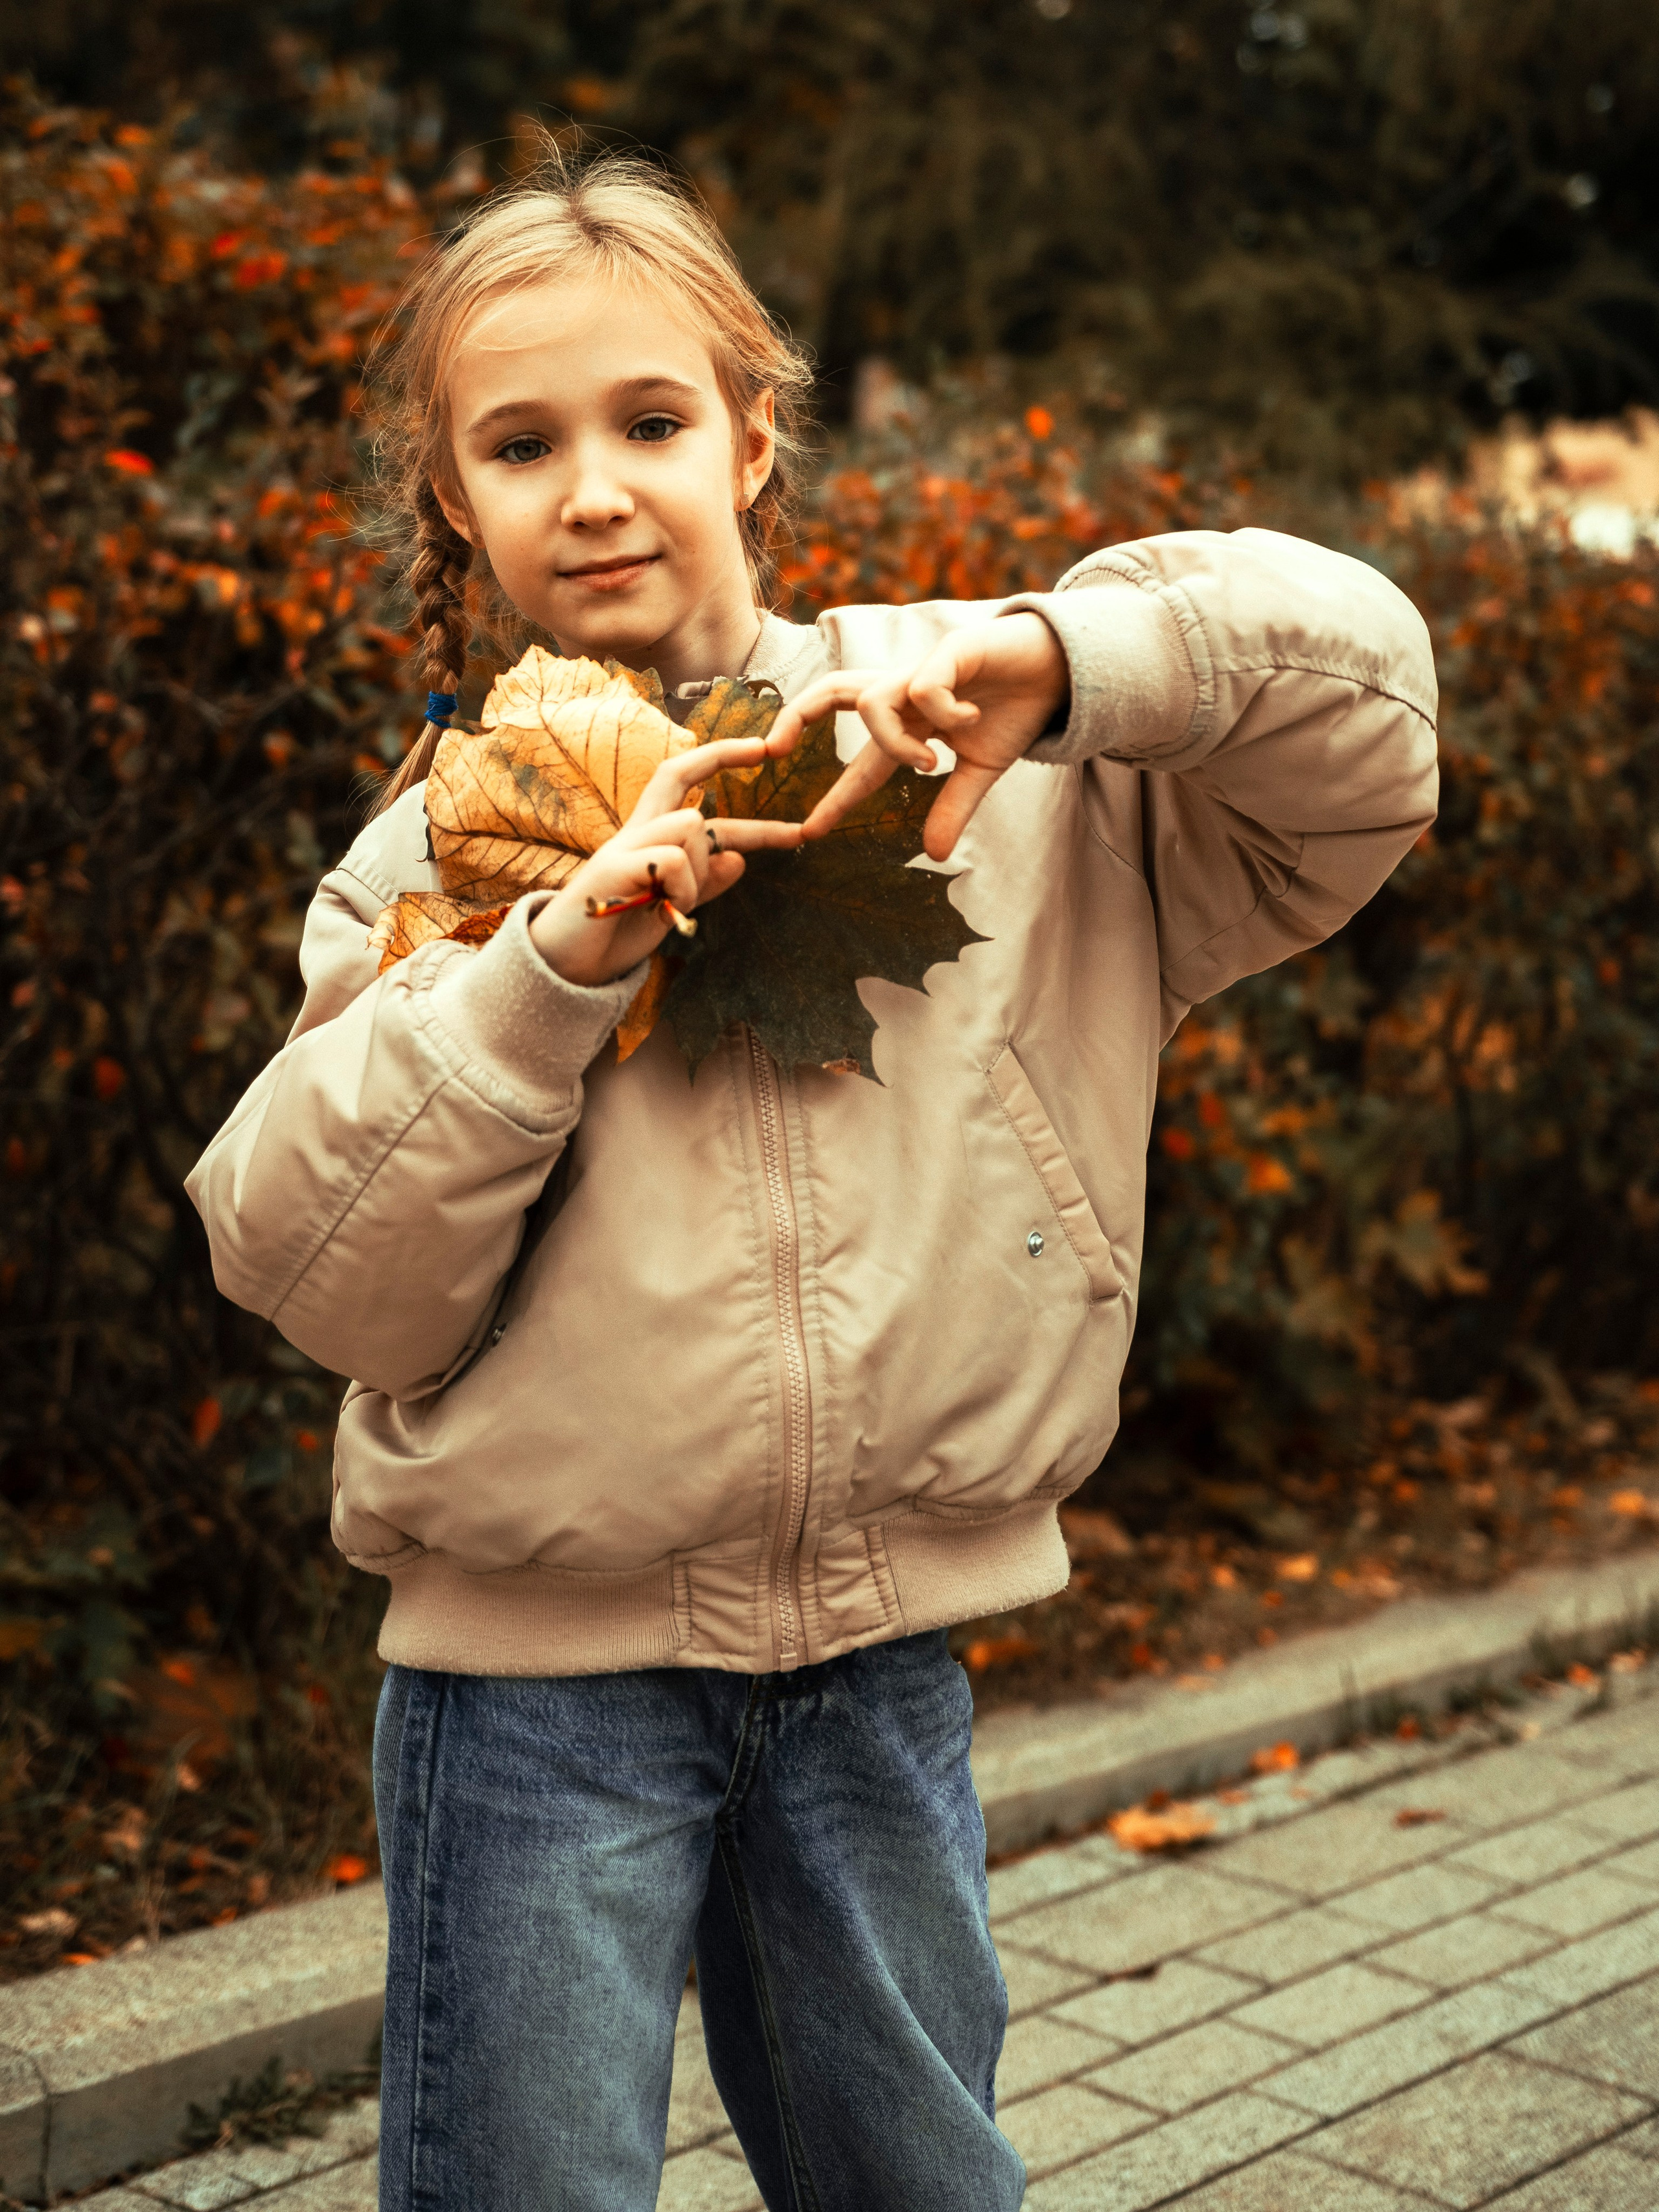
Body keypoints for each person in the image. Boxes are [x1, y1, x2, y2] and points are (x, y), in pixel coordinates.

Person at [187, 142, 1438, 2212]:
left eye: (650, 422)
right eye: (522, 444)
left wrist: (1062, 664)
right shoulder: (436, 856)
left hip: (879, 1660)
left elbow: (1374, 711)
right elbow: (323, 1272)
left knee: (920, 2184)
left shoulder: (986, 747)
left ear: (752, 440)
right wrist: (544, 976)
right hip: (536, 1694)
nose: (596, 488)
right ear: (454, 499)